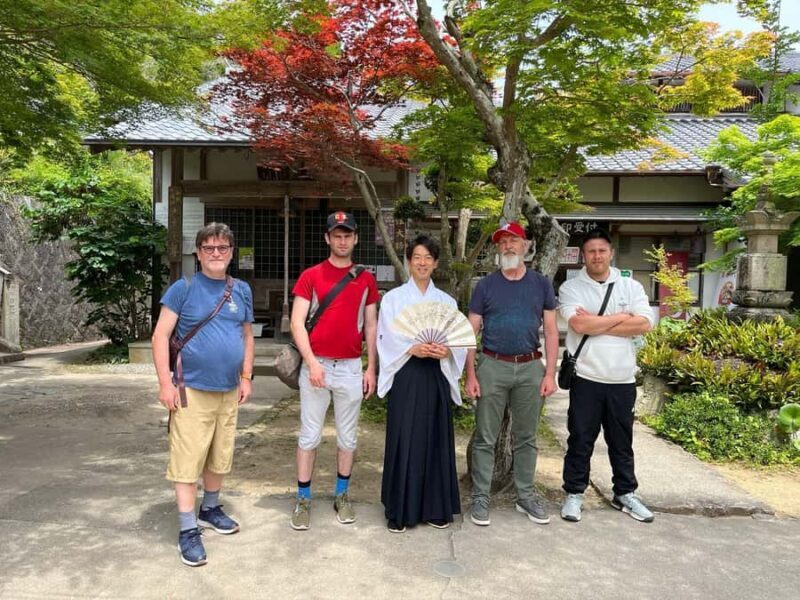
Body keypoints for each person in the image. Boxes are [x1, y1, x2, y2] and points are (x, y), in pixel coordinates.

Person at [152, 222, 255, 567]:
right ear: (198, 253)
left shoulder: (240, 290)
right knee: (187, 459)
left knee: (219, 453)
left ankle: (210, 507)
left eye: (222, 248)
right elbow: (159, 336)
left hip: (229, 389)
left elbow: (247, 336)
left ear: (231, 253)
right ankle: (186, 529)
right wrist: (165, 384)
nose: (215, 253)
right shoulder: (183, 288)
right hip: (190, 389)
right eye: (208, 248)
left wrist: (246, 376)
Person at [557, 228, 655, 523]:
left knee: (621, 441)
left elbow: (644, 324)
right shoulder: (571, 288)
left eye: (602, 250)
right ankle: (574, 493)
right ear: (583, 256)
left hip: (622, 379)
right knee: (580, 439)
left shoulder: (630, 287)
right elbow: (578, 324)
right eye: (591, 251)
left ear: (611, 253)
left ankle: (625, 493)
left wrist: (595, 322)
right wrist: (621, 318)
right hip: (586, 377)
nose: (597, 256)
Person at [464, 221, 559, 527]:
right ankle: (480, 496)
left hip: (531, 366)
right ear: (497, 249)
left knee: (526, 437)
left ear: (526, 246)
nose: (508, 246)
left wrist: (550, 374)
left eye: (514, 240)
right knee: (485, 436)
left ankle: (526, 495)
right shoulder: (486, 286)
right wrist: (471, 374)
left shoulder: (541, 284)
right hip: (492, 365)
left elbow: (552, 330)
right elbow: (470, 332)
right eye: (503, 242)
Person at [289, 211, 379, 530]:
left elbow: (371, 325)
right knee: (309, 434)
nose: (342, 241)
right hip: (318, 365)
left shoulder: (365, 279)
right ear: (327, 238)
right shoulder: (311, 276)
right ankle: (303, 498)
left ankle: (342, 494)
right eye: (336, 235)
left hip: (351, 367)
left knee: (348, 436)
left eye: (348, 235)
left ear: (355, 238)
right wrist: (312, 362)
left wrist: (371, 368)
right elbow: (297, 322)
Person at [377, 234, 467, 533]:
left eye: (428, 257)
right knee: (404, 437)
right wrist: (410, 348)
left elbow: (458, 340)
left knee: (435, 438)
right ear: (409, 261)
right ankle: (399, 510)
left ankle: (435, 507)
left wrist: (448, 350)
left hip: (436, 375)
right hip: (407, 373)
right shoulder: (393, 299)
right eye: (417, 257)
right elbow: (385, 338)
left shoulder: (446, 301)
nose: (422, 263)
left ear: (436, 263)